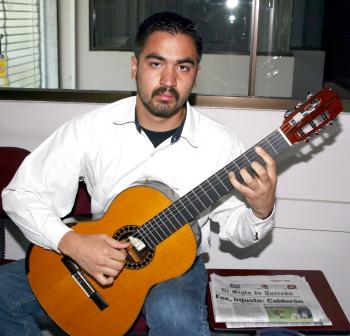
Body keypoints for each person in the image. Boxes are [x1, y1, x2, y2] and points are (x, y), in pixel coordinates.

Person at [0, 11, 276, 336]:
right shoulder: (91, 129)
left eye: (183, 67)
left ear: (196, 74)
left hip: (178, 267)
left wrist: (261, 210)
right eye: (156, 64)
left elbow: (235, 230)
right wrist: (71, 243)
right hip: (97, 251)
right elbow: (19, 194)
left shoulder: (221, 144)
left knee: (174, 314)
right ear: (135, 66)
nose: (169, 81)